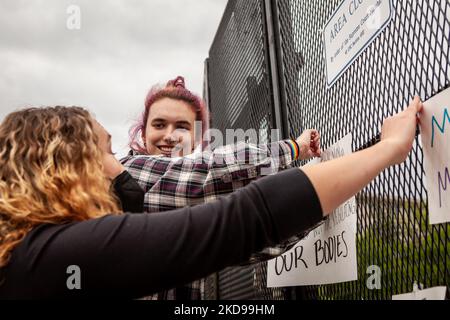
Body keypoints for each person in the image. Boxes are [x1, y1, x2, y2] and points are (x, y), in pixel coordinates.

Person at [0, 96, 423, 299]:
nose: (119, 166)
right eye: (107, 153)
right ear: (68, 169)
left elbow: (227, 240)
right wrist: (383, 151)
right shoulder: (60, 252)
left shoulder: (33, 250)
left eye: (181, 126)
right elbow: (239, 220)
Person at [123, 76, 321, 299]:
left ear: (196, 139)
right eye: (159, 125)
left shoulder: (193, 201)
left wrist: (322, 204)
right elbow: (212, 170)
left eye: (182, 126)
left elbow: (246, 240)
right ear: (143, 133)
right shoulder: (128, 172)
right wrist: (293, 148)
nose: (169, 136)